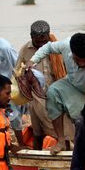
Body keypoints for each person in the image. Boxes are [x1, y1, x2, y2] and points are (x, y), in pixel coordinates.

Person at [26, 33, 85, 154]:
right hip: (71, 83)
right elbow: (47, 48)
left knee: (84, 121)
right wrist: (33, 61)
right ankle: (61, 140)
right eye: (77, 60)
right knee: (52, 92)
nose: (82, 64)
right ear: (71, 52)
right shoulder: (65, 45)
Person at [15, 20, 71, 150]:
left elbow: (67, 71)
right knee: (37, 132)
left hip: (57, 95)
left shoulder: (58, 48)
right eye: (38, 42)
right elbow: (18, 72)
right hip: (36, 97)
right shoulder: (25, 50)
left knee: (62, 131)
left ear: (48, 36)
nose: (41, 45)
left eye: (44, 42)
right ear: (31, 36)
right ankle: (36, 159)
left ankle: (67, 155)